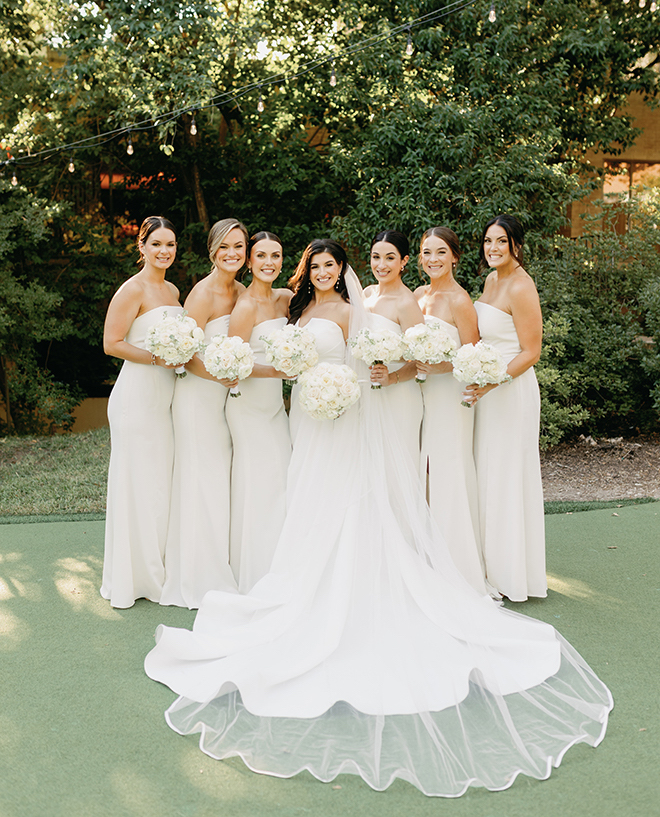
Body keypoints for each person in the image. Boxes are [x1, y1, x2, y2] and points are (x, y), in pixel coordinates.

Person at [145, 237, 611, 798]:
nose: (322, 272)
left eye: (331, 265)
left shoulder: (354, 310)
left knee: (352, 501)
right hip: (308, 421)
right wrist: (285, 374)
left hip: (345, 412)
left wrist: (364, 379)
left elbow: (377, 359)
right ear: (308, 270)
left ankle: (360, 586)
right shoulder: (298, 308)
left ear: (342, 271)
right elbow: (284, 361)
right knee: (306, 499)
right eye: (315, 264)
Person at [159, 218, 248, 608]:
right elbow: (183, 354)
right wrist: (220, 375)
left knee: (219, 484)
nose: (232, 254)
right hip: (198, 399)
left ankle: (221, 564)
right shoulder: (202, 293)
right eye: (225, 247)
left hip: (226, 402)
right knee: (201, 483)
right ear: (212, 251)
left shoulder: (243, 290)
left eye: (239, 247)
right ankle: (198, 578)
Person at [101, 216, 181, 608]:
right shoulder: (132, 289)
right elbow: (111, 343)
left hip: (165, 398)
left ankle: (157, 571)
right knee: (136, 482)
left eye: (171, 244)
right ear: (143, 247)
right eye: (157, 244)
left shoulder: (174, 289)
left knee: (158, 484)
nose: (164, 251)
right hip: (136, 398)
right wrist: (156, 358)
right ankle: (133, 579)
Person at [467, 214, 547, 602]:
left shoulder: (520, 285)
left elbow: (531, 351)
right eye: (487, 241)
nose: (493, 248)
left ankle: (512, 573)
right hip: (486, 389)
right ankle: (488, 564)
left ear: (516, 244)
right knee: (487, 473)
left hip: (510, 390)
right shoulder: (490, 280)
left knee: (507, 474)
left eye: (501, 241)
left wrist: (490, 380)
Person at [414, 227, 489, 595]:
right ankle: (427, 556)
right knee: (424, 471)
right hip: (419, 394)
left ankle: (457, 566)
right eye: (427, 253)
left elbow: (472, 356)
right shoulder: (417, 295)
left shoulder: (460, 300)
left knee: (449, 470)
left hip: (450, 394)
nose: (433, 259)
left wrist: (435, 364)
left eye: (440, 252)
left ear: (454, 256)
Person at [225, 231, 293, 593]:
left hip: (274, 409)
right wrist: (278, 371)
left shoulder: (284, 300)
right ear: (249, 261)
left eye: (276, 255)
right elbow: (234, 366)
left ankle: (282, 564)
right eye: (262, 256)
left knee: (281, 480)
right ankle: (253, 572)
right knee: (258, 482)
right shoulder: (246, 306)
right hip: (248, 407)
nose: (269, 262)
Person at [363, 229, 425, 469]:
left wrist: (392, 377)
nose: (381, 264)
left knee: (396, 466)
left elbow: (419, 360)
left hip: (398, 395)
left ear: (404, 261)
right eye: (375, 257)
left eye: (390, 257)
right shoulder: (367, 294)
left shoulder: (406, 303)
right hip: (369, 393)